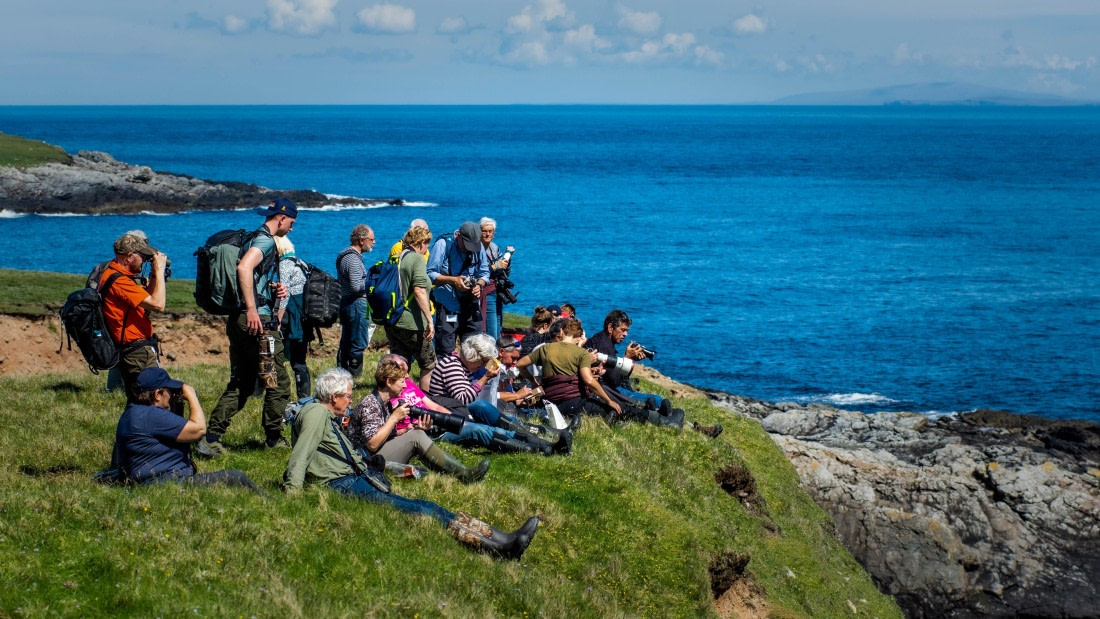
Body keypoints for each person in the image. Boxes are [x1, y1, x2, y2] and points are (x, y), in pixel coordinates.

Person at [283, 368, 538, 559]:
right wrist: (292, 494)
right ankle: (498, 548)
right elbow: (302, 452)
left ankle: (503, 539)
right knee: (423, 509)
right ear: (335, 396)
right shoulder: (316, 412)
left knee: (427, 506)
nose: (351, 400)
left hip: (352, 479)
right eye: (348, 396)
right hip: (342, 484)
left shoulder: (323, 414)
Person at [199, 198, 296, 457]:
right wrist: (253, 308)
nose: (292, 229)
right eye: (292, 223)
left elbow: (251, 275)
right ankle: (274, 439)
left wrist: (270, 289)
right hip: (257, 321)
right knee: (278, 381)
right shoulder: (265, 240)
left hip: (238, 319)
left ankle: (210, 438)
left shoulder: (250, 238)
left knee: (242, 381)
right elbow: (244, 268)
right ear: (281, 218)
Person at [516, 318, 679, 429]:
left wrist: (535, 381)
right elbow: (589, 381)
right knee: (622, 409)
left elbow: (520, 365)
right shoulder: (580, 353)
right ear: (577, 335)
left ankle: (646, 413)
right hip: (573, 403)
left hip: (552, 403)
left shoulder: (545, 348)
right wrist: (608, 401)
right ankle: (665, 422)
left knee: (615, 406)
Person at [114, 367, 260, 490]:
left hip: (150, 481)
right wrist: (191, 396)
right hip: (165, 483)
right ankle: (271, 501)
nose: (172, 395)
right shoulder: (152, 416)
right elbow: (199, 429)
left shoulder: (133, 412)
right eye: (169, 391)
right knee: (236, 477)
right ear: (158, 394)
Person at [347, 359, 489, 483]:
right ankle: (464, 474)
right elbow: (372, 444)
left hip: (375, 454)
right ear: (389, 382)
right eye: (402, 381)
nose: (404, 386)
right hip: (366, 460)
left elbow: (386, 434)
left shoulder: (384, 402)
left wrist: (411, 429)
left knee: (416, 433)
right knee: (416, 436)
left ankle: (456, 471)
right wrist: (394, 418)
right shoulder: (370, 404)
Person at [380, 354, 554, 455]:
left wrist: (452, 419)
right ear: (389, 377)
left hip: (442, 419)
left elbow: (433, 405)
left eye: (406, 372)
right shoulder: (386, 402)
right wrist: (416, 428)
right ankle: (535, 449)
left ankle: (542, 439)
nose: (407, 377)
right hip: (429, 432)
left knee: (482, 408)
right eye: (402, 374)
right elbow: (392, 434)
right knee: (480, 430)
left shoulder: (407, 385)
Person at [429, 333, 571, 454]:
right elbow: (464, 399)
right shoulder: (452, 366)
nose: (484, 365)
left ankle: (545, 438)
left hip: (456, 411)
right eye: (484, 361)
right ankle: (542, 447)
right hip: (450, 416)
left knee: (483, 406)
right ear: (473, 356)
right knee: (483, 414)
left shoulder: (459, 365)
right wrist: (485, 378)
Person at [99, 232, 169, 399]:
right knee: (156, 400)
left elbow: (148, 300)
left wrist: (153, 274)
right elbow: (158, 304)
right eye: (142, 256)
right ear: (129, 257)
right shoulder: (120, 281)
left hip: (133, 349)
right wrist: (160, 271)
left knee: (138, 402)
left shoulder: (115, 273)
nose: (145, 260)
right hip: (137, 352)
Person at [382, 226, 436, 392]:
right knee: (428, 364)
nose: (427, 249)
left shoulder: (396, 257)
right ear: (420, 243)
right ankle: (424, 403)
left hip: (392, 319)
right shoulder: (417, 259)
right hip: (411, 322)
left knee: (400, 365)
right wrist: (429, 320)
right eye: (427, 245)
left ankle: (398, 399)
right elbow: (419, 290)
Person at [426, 221, 489, 356]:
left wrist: (479, 285)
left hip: (471, 306)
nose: (469, 249)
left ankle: (471, 376)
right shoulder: (443, 244)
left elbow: (484, 273)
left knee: (475, 348)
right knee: (446, 348)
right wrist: (453, 281)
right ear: (458, 236)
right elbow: (430, 273)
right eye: (467, 246)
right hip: (449, 307)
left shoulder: (478, 246)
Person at [336, 224, 376, 378]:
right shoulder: (352, 258)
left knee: (347, 341)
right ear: (361, 240)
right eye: (371, 239)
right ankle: (355, 377)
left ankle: (342, 374)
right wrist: (372, 284)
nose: (374, 242)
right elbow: (355, 286)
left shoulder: (345, 255)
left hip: (347, 302)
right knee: (358, 342)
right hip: (357, 303)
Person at [275, 235, 311, 400]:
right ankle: (304, 396)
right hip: (304, 317)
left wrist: (277, 319)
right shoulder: (300, 262)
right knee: (300, 360)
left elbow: (284, 294)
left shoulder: (284, 264)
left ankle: (273, 393)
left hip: (292, 317)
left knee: (276, 356)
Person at [478, 217, 512, 340]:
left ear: (494, 233)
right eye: (484, 231)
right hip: (485, 292)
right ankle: (492, 354)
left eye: (490, 231)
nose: (488, 234)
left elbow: (504, 272)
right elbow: (476, 271)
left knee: (498, 327)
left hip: (496, 290)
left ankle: (497, 352)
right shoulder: (476, 248)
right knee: (491, 329)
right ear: (479, 231)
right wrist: (495, 266)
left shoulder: (494, 247)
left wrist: (508, 261)